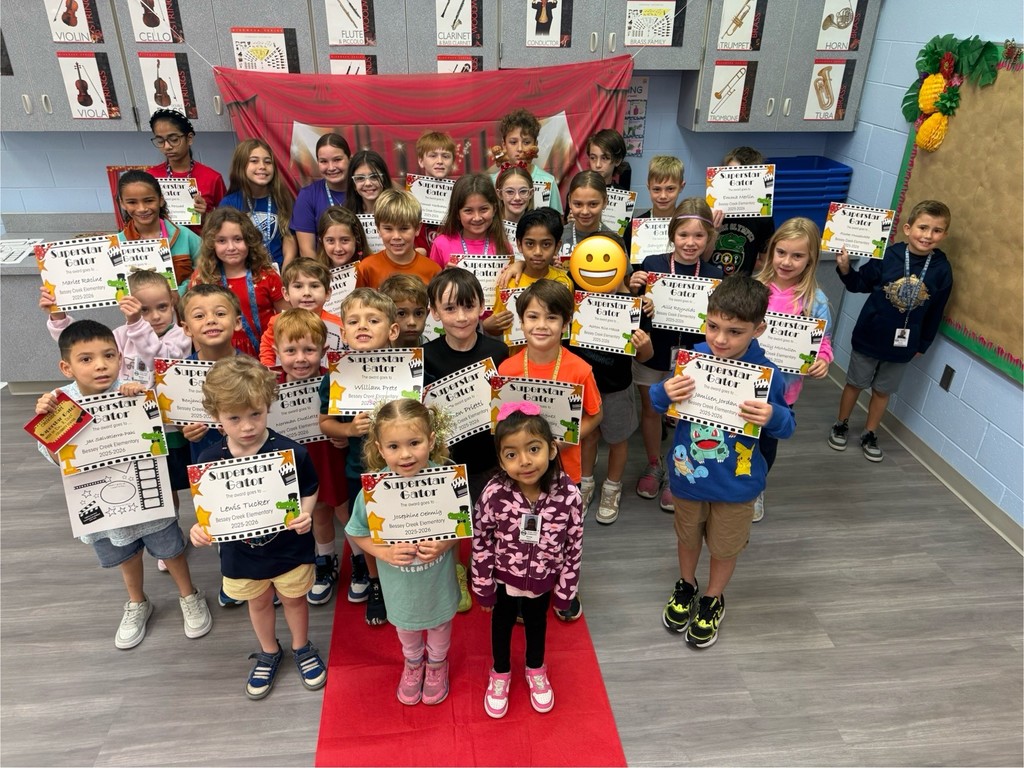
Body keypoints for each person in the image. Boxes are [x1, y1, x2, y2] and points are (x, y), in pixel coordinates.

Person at [35, 319, 212, 649]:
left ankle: (189, 594)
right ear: (66, 366)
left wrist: (143, 398)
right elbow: (57, 459)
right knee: (124, 552)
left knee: (170, 549)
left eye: (108, 356)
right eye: (86, 359)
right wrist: (48, 421)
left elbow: (162, 431)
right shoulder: (60, 404)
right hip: (101, 501)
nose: (100, 365)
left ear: (120, 357)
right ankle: (137, 602)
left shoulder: (133, 390)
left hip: (147, 494)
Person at [650, 276, 796, 649]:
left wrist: (773, 415)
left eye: (735, 331)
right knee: (687, 536)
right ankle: (687, 584)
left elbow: (788, 425)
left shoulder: (768, 375)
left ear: (758, 329)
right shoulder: (693, 358)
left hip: (736, 483)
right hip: (687, 476)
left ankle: (713, 598)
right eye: (713, 326)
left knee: (724, 546)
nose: (720, 339)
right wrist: (662, 391)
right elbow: (658, 401)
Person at [189, 356, 327, 700]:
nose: (247, 426)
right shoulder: (208, 460)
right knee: (259, 602)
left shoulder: (291, 452)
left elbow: (309, 488)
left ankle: (301, 647)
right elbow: (207, 508)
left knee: (294, 600)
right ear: (216, 417)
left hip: (289, 550)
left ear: (268, 405)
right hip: (241, 554)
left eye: (255, 414)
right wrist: (200, 529)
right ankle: (268, 650)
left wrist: (305, 514)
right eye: (234, 418)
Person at [497, 279, 602, 621]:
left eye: (552, 318)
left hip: (562, 470)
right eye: (533, 317)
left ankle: (565, 585)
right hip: (519, 473)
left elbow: (595, 413)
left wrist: (570, 437)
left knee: (559, 534)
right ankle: (520, 586)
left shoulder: (579, 369)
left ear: (566, 323)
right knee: (521, 533)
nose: (542, 325)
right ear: (521, 321)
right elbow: (497, 423)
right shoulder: (508, 370)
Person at [472, 402, 584, 718]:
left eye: (533, 449)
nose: (524, 461)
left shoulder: (568, 494)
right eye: (512, 454)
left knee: (537, 623)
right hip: (503, 578)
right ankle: (500, 671)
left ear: (551, 449)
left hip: (543, 578)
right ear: (501, 460)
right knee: (502, 623)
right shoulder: (494, 493)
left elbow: (574, 544)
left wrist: (566, 590)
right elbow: (480, 539)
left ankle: (535, 667)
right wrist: (482, 584)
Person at [346, 400, 461, 706]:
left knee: (439, 624)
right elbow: (355, 531)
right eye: (394, 446)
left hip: (437, 580)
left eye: (414, 443)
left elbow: (463, 523)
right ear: (380, 449)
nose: (406, 454)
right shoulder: (373, 489)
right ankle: (413, 664)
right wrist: (382, 554)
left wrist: (444, 543)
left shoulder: (448, 477)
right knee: (406, 627)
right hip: (399, 584)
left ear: (431, 440)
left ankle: (437, 665)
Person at [829, 200, 953, 462]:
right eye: (923, 227)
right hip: (870, 335)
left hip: (904, 344)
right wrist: (845, 268)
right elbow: (858, 285)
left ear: (945, 234)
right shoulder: (888, 255)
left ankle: (870, 433)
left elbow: (936, 310)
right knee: (855, 383)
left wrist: (924, 343)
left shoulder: (941, 268)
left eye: (937, 230)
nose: (928, 235)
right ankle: (841, 423)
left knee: (883, 391)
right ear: (908, 228)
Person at [423, 268, 510, 612]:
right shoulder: (425, 357)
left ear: (482, 307)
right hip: (447, 459)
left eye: (468, 307)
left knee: (490, 516)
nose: (460, 317)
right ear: (434, 312)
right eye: (449, 309)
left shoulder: (499, 351)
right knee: (454, 519)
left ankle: (486, 564)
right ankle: (458, 568)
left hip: (489, 456)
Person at [628, 199, 723, 512]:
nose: (690, 242)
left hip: (694, 355)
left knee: (687, 413)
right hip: (654, 352)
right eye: (683, 234)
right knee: (651, 409)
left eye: (699, 236)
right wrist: (635, 291)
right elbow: (635, 310)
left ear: (709, 238)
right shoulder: (652, 264)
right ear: (672, 234)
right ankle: (655, 464)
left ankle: (681, 471)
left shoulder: (713, 273)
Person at [318, 288, 400, 624]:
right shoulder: (335, 376)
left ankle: (405, 577)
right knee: (369, 528)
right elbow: (324, 422)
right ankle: (376, 582)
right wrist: (349, 431)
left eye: (373, 320)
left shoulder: (407, 370)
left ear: (392, 330)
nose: (362, 326)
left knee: (400, 524)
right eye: (353, 321)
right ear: (344, 331)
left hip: (404, 468)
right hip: (359, 469)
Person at [751, 217, 833, 521]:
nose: (787, 261)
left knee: (768, 441)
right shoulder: (755, 288)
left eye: (797, 255)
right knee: (744, 435)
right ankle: (735, 481)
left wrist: (823, 360)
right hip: (747, 381)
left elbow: (824, 343)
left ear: (811, 258)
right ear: (772, 250)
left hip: (784, 389)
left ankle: (757, 487)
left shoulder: (816, 300)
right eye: (781, 252)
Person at [269, 310, 348, 606]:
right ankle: (325, 560)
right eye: (291, 350)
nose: (300, 358)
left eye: (309, 350)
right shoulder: (271, 388)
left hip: (330, 456)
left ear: (324, 352)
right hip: (297, 462)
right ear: (277, 352)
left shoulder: (334, 381)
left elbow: (346, 418)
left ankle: (364, 564)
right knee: (318, 513)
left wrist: (343, 434)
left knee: (343, 510)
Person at [190, 208, 288, 358]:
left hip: (267, 353)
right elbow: (196, 326)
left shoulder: (267, 275)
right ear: (211, 244)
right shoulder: (202, 278)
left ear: (249, 241)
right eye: (222, 241)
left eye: (238, 239)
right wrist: (203, 359)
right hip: (219, 354)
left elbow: (286, 318)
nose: (231, 247)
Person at [483, 207, 572, 338]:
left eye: (546, 244)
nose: (537, 252)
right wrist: (489, 327)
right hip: (517, 356)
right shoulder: (508, 281)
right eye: (530, 243)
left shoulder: (564, 282)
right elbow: (499, 327)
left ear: (557, 247)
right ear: (519, 245)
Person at [114, 169, 201, 291]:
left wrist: (180, 293)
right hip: (141, 309)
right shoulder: (117, 244)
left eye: (149, 201)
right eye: (132, 202)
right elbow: (118, 286)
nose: (142, 208)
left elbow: (207, 269)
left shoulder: (185, 235)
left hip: (186, 307)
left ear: (161, 200)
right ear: (122, 203)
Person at [220, 138, 297, 271]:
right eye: (254, 161)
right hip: (245, 272)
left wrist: (286, 269)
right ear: (241, 165)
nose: (262, 166)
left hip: (280, 271)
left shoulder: (283, 199)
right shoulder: (229, 203)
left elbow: (288, 237)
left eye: (268, 162)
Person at [146, 109, 225, 234]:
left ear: (189, 138)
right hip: (165, 247)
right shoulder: (149, 177)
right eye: (160, 141)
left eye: (174, 139)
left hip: (202, 248)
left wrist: (205, 216)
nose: (167, 146)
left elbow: (226, 221)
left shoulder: (212, 178)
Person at [258, 258, 342, 367]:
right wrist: (268, 367)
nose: (306, 293)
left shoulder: (338, 324)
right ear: (286, 293)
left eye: (314, 286)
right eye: (298, 286)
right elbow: (268, 347)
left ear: (327, 293)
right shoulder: (277, 322)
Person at [708, 146, 774, 277]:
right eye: (731, 175)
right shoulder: (709, 211)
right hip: (710, 281)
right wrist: (711, 230)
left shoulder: (763, 216)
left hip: (740, 286)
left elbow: (765, 261)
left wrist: (745, 265)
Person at [356, 189, 440, 289]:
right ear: (378, 229)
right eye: (388, 229)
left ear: (417, 228)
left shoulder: (433, 270)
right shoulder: (366, 268)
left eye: (404, 229)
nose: (396, 236)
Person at [428, 173, 512, 268]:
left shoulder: (504, 246)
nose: (477, 218)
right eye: (468, 211)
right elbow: (432, 281)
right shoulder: (441, 244)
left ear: (494, 209)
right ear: (457, 214)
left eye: (484, 209)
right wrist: (445, 277)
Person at [293, 133, 352, 259]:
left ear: (349, 159)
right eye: (324, 161)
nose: (331, 167)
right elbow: (307, 251)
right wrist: (323, 277)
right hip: (324, 272)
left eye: (337, 159)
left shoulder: (365, 190)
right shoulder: (307, 196)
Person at [493, 108, 562, 213]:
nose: (520, 148)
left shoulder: (548, 181)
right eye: (513, 142)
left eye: (526, 142)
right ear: (504, 144)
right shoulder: (492, 182)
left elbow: (558, 222)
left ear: (535, 144)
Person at [413, 130, 458, 255]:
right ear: (421, 161)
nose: (440, 161)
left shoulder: (460, 193)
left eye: (446, 156)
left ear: (453, 161)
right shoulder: (410, 196)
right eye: (433, 155)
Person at [560, 171, 617, 261]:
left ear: (605, 202)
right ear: (569, 202)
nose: (585, 211)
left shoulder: (614, 241)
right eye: (578, 204)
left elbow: (623, 274)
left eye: (593, 204)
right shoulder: (558, 236)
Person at [380, 274, 430, 348]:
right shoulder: (376, 351)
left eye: (418, 313)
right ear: (386, 314)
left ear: (427, 314)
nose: (412, 322)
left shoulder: (434, 354)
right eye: (401, 313)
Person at [344, 149, 393, 217]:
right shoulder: (345, 215)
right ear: (353, 184)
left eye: (374, 177)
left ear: (384, 179)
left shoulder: (401, 212)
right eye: (360, 178)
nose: (368, 183)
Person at [635, 155, 685, 220]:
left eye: (670, 189)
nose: (663, 196)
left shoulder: (689, 227)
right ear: (649, 187)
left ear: (681, 187)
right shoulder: (634, 228)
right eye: (657, 189)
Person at [584, 128, 631, 193]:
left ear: (617, 161)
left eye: (604, 158)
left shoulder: (624, 195)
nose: (598, 165)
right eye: (593, 158)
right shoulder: (578, 191)